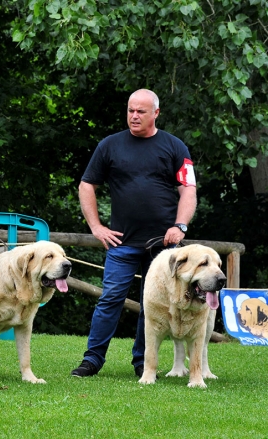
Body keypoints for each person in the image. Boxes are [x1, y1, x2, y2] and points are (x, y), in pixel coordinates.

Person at [71, 89, 197, 378]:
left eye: (141, 111)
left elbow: (188, 189)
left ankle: (143, 363)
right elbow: (86, 185)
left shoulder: (175, 146)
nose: (134, 116)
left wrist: (179, 226)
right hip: (122, 242)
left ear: (156, 113)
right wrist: (96, 227)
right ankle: (92, 360)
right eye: (130, 110)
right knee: (110, 298)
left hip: (164, 246)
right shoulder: (110, 145)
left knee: (151, 304)